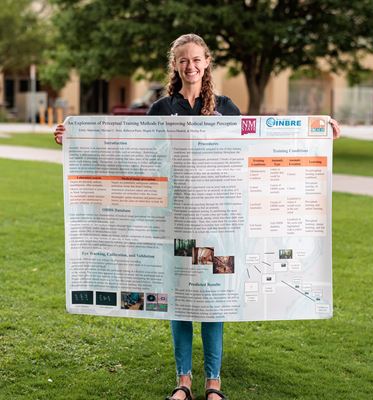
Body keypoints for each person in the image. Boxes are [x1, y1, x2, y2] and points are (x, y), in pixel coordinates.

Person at [54, 33, 341, 400]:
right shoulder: (160, 110)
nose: (190, 66)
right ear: (175, 65)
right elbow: (134, 156)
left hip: (217, 223)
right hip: (175, 221)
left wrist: (318, 134)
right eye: (183, 60)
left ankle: (214, 382)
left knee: (213, 297)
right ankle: (183, 380)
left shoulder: (225, 108)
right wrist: (73, 138)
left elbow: (256, 149)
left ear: (207, 63)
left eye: (197, 59)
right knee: (179, 299)